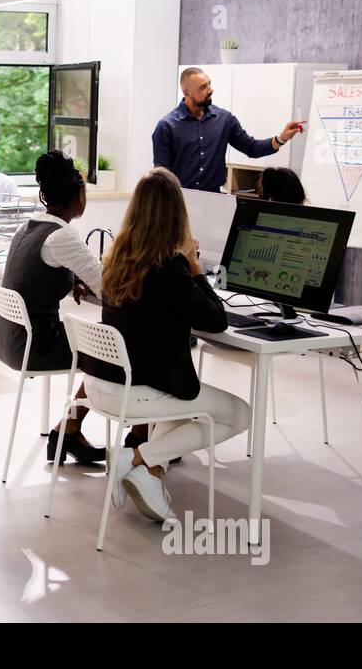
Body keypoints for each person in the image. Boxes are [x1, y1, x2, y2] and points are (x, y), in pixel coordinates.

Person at [82, 167, 251, 521]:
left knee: (185, 405)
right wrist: (194, 267)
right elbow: (215, 320)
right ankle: (136, 459)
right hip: (140, 388)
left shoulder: (115, 258)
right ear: (178, 214)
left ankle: (149, 472)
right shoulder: (169, 266)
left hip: (101, 384)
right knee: (239, 414)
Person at [0, 149, 107, 463]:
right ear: (79, 196)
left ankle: (69, 430)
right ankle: (71, 429)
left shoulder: (27, 228)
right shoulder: (61, 236)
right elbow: (109, 286)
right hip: (35, 345)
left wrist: (71, 281)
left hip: (8, 341)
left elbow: (34, 277)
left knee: (105, 345)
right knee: (115, 351)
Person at [153, 67, 304, 192]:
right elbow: (162, 176)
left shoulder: (224, 119)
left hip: (214, 200)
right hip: (179, 200)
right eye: (203, 87)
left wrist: (281, 138)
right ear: (186, 92)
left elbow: (251, 148)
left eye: (209, 84)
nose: (210, 90)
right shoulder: (166, 126)